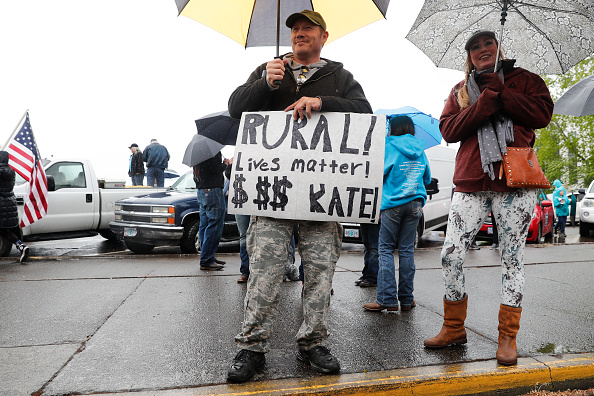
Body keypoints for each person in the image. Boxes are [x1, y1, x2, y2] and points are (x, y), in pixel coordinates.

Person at [226, 9, 372, 383]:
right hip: (272, 198)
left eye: (307, 28)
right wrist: (266, 84)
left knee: (320, 275)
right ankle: (252, 347)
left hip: (321, 201)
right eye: (294, 28)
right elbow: (235, 109)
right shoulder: (269, 68)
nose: (299, 33)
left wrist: (322, 102)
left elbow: (365, 114)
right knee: (264, 272)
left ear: (324, 36)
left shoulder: (340, 76)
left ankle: (313, 343)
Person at [423, 30, 553, 367]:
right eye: (475, 46)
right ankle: (453, 328)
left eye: (488, 43)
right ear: (468, 55)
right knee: (450, 255)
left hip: (516, 182)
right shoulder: (462, 90)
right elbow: (448, 130)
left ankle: (507, 337)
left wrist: (503, 93)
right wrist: (484, 102)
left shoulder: (526, 80)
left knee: (512, 259)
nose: (482, 49)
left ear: (499, 47)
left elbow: (541, 116)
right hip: (471, 181)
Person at [363, 115, 431, 312]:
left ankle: (387, 299)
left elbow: (378, 173)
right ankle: (407, 299)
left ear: (392, 128)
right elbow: (426, 177)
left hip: (392, 204)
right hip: (415, 203)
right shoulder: (421, 149)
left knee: (385, 250)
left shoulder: (389, 146)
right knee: (407, 251)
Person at [194, 152, 229, 270]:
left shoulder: (198, 152)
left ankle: (208, 256)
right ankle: (207, 259)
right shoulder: (211, 151)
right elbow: (214, 169)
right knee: (215, 224)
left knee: (204, 224)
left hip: (201, 190)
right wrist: (225, 164)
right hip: (213, 190)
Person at [0, 151, 29, 263]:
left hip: (1, 205)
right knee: (5, 231)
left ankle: (20, 245)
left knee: (3, 231)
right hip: (10, 204)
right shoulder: (11, 172)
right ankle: (21, 246)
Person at [355, 223, 380, 288]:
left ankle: (372, 277)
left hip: (375, 219)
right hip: (366, 219)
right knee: (368, 247)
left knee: (373, 248)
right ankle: (366, 275)